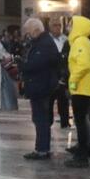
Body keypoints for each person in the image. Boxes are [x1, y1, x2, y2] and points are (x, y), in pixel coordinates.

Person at [19, 17, 60, 160]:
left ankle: (42, 150)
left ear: (36, 30)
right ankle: (42, 148)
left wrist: (21, 65)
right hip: (40, 85)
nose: (28, 34)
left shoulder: (44, 44)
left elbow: (35, 64)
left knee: (41, 119)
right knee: (40, 118)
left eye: (29, 32)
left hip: (41, 86)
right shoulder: (41, 42)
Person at [65, 13, 90, 166]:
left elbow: (84, 65)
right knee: (81, 122)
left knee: (80, 122)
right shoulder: (86, 42)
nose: (69, 27)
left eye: (71, 24)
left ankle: (82, 156)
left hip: (81, 89)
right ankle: (82, 151)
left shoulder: (80, 42)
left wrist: (73, 80)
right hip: (85, 88)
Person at [51, 16, 73, 131]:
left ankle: (64, 121)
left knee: (63, 98)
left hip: (63, 72)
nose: (57, 27)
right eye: (55, 25)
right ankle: (48, 120)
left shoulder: (66, 40)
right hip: (51, 72)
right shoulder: (47, 40)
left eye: (59, 25)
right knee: (50, 98)